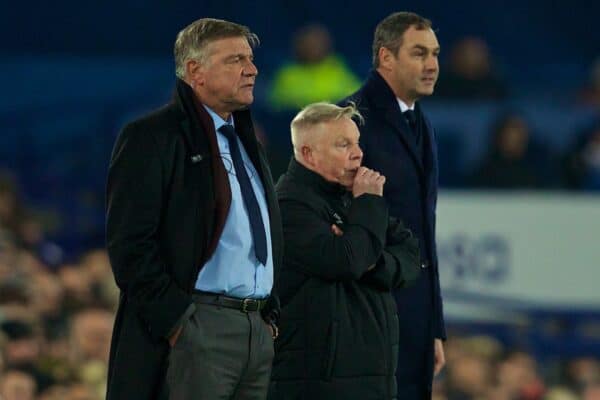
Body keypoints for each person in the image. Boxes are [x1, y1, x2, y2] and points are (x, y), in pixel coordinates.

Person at [105, 18, 283, 400]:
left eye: (250, 59)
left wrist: (267, 317)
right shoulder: (151, 136)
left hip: (255, 328)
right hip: (199, 328)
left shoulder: (247, 141)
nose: (251, 69)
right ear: (195, 71)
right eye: (235, 59)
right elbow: (130, 246)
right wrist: (178, 322)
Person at [269, 102, 421, 399]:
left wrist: (372, 264)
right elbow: (347, 261)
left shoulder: (353, 198)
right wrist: (368, 208)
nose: (358, 153)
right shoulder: (289, 206)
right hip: (316, 383)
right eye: (343, 144)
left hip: (371, 377)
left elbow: (411, 255)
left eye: (357, 142)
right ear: (308, 154)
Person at [341, 11, 446, 399]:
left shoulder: (421, 123)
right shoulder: (351, 120)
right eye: (419, 53)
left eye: (435, 53)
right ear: (386, 58)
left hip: (414, 316)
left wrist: (433, 325)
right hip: (369, 313)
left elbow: (424, 232)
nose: (432, 64)